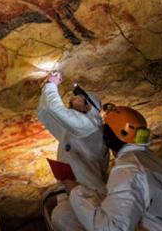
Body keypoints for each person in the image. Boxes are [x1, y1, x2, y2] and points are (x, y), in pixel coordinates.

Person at [38, 71, 109, 231]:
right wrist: (46, 88)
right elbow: (45, 114)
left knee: (64, 217)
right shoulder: (73, 131)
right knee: (60, 216)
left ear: (88, 106)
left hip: (90, 195)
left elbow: (56, 110)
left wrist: (52, 85)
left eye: (77, 97)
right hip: (73, 195)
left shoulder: (90, 126)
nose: (71, 98)